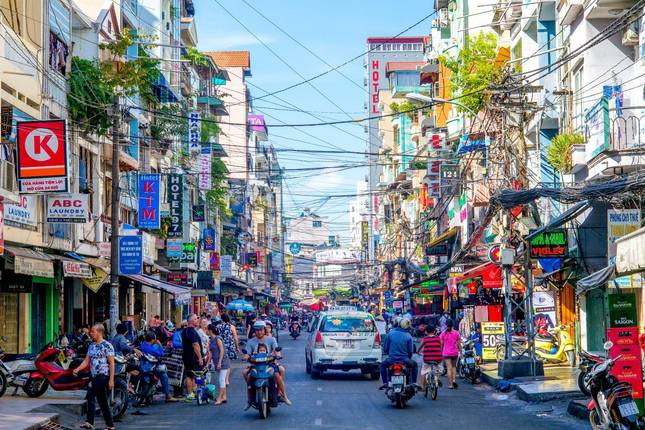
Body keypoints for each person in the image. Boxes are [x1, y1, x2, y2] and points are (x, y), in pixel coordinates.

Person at [73, 324, 115, 430]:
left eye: (93, 331)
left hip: (103, 376)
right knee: (102, 401)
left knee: (90, 395)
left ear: (100, 332)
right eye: (90, 331)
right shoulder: (91, 346)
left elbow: (111, 364)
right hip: (94, 375)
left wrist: (111, 380)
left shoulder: (107, 345)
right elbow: (87, 361)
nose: (90, 333)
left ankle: (89, 422)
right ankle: (110, 425)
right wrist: (77, 369)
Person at [242, 321, 291, 406]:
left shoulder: (271, 339)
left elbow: (276, 350)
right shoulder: (250, 342)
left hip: (269, 364)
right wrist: (246, 357)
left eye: (261, 330)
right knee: (246, 374)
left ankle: (283, 395)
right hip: (255, 365)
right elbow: (247, 354)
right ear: (254, 331)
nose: (259, 332)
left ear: (264, 330)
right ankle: (250, 398)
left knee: (277, 375)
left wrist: (278, 355)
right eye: (257, 330)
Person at [380, 317, 418, 389]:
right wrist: (408, 357)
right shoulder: (408, 336)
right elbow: (410, 351)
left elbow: (385, 348)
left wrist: (390, 354)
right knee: (415, 365)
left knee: (382, 365)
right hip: (404, 360)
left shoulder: (390, 334)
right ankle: (414, 382)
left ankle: (385, 383)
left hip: (391, 359)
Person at [139, 331, 177, 402]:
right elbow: (161, 353)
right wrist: (160, 345)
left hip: (143, 366)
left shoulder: (143, 344)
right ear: (153, 340)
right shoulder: (151, 349)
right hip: (150, 367)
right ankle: (168, 396)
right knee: (164, 375)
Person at [181, 314, 204, 401]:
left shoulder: (186, 331)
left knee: (192, 375)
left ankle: (193, 392)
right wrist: (200, 358)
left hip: (188, 356)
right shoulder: (190, 331)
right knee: (191, 375)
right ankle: (190, 393)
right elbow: (195, 345)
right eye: (195, 319)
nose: (197, 320)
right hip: (192, 357)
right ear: (190, 321)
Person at [207, 324, 230, 405]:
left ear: (210, 330)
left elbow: (222, 351)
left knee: (221, 379)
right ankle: (224, 397)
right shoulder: (210, 341)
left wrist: (220, 362)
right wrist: (208, 363)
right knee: (222, 379)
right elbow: (210, 354)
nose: (206, 331)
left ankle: (219, 398)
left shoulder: (218, 339)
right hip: (217, 362)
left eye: (207, 330)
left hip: (223, 361)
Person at [417, 325, 443, 390]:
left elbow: (418, 349)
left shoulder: (425, 339)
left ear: (426, 332)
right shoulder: (438, 338)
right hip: (438, 358)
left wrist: (418, 352)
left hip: (427, 359)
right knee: (440, 368)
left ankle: (422, 387)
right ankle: (438, 378)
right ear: (434, 331)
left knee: (423, 371)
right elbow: (441, 346)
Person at [440, 319, 461, 389]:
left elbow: (441, 345)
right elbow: (459, 344)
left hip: (446, 353)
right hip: (454, 352)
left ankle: (450, 384)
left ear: (446, 325)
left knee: (449, 368)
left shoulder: (443, 333)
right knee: (454, 367)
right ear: (452, 325)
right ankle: (454, 380)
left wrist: (440, 352)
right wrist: (461, 352)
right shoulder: (456, 333)